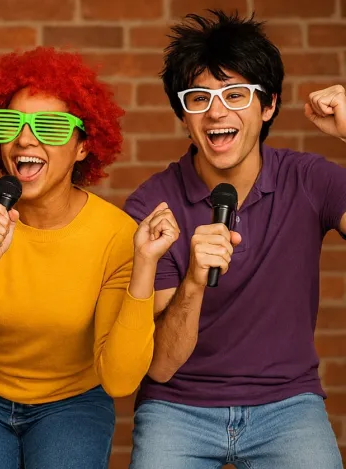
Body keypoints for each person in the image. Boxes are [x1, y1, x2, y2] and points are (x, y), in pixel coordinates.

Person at [0, 46, 179, 469]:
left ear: (83, 147)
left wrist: (144, 266)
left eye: (49, 126)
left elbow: (119, 380)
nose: (25, 140)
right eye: (10, 123)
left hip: (72, 401)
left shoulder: (116, 234)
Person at [124, 10, 346, 469]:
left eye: (235, 94)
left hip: (288, 404)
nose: (216, 111)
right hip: (177, 407)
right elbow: (161, 366)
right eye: (199, 98)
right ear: (184, 116)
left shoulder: (309, 179)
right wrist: (193, 282)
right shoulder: (152, 206)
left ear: (268, 106)